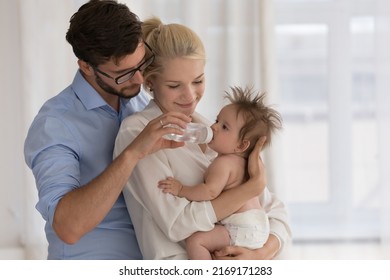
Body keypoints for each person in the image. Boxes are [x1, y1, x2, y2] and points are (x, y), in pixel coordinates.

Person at [23, 0, 192, 259]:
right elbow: (67, 227)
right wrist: (132, 152)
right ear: (87, 67)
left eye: (140, 64)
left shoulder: (138, 103)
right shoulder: (55, 124)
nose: (139, 79)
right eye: (123, 73)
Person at [113, 17, 291, 260]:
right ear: (150, 82)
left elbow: (275, 212)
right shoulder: (137, 134)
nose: (189, 96)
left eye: (198, 81)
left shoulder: (216, 130)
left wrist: (260, 254)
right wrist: (250, 188)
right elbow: (177, 224)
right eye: (175, 85)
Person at [157, 86, 283, 259]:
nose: (213, 127)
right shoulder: (245, 164)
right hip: (259, 227)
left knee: (196, 242)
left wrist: (181, 190)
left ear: (241, 146)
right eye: (217, 120)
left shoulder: (224, 163)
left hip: (243, 227)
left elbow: (209, 191)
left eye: (224, 127)